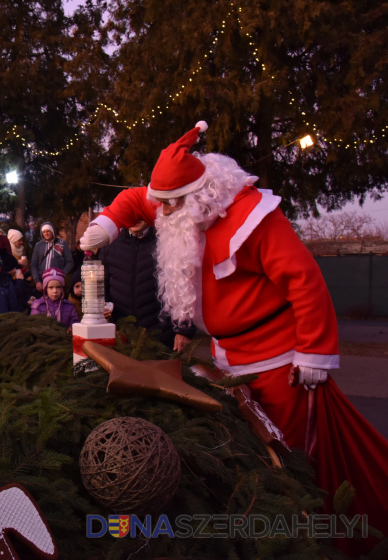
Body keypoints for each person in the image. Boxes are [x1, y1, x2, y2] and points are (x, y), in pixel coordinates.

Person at [79, 120, 388, 553]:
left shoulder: (255, 218)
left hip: (279, 361)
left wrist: (315, 353)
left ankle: (306, 534)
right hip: (226, 359)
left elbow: (305, 281)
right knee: (248, 452)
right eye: (161, 205)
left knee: (290, 454)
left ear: (199, 195)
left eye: (170, 206)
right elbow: (137, 199)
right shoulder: (176, 205)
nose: (161, 214)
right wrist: (109, 222)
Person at [97, 221, 195, 351]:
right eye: (131, 213)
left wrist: (184, 330)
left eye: (139, 212)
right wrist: (103, 308)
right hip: (121, 335)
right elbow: (101, 286)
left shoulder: (167, 241)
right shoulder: (110, 245)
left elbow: (186, 288)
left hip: (161, 337)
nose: (135, 218)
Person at [30, 222, 74, 291]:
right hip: (42, 281)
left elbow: (70, 262)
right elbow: (34, 265)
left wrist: (62, 274)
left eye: (48, 231)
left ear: (52, 231)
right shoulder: (38, 245)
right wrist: (37, 280)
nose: (46, 233)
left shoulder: (62, 244)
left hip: (57, 280)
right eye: (44, 232)